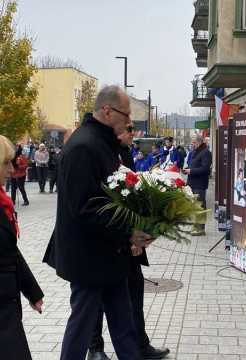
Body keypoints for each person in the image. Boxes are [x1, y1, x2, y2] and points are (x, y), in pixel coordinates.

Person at [42, 85, 153, 360]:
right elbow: (85, 208)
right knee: (81, 328)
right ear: (107, 110)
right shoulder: (83, 146)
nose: (129, 121)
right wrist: (129, 231)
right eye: (125, 114)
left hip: (110, 255)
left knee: (123, 326)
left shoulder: (104, 143)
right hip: (88, 259)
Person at [88, 124, 170, 360]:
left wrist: (144, 231)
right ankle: (95, 349)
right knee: (96, 299)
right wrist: (126, 235)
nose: (133, 133)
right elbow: (95, 205)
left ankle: (140, 345)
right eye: (128, 129)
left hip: (128, 242)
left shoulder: (125, 154)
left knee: (135, 291)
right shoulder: (94, 153)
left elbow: (132, 199)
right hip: (101, 243)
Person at [0, 135, 44, 360]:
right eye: (6, 163)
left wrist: (32, 291)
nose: (11, 169)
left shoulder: (2, 201)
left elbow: (10, 251)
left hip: (7, 301)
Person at [183, 134, 212, 236]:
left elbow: (205, 169)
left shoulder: (206, 153)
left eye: (194, 142)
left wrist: (191, 171)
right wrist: (187, 169)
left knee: (200, 206)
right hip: (192, 183)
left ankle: (200, 229)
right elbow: (193, 164)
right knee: (195, 206)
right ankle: (196, 226)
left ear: (199, 142)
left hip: (200, 184)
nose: (192, 144)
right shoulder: (196, 152)